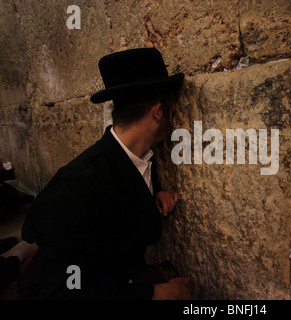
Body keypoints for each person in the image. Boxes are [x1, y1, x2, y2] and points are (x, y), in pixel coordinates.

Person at [17, 48, 191, 300]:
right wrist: (154, 294)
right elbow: (63, 289)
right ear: (158, 112)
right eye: (172, 112)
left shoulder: (137, 158)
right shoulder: (77, 186)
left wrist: (154, 195)